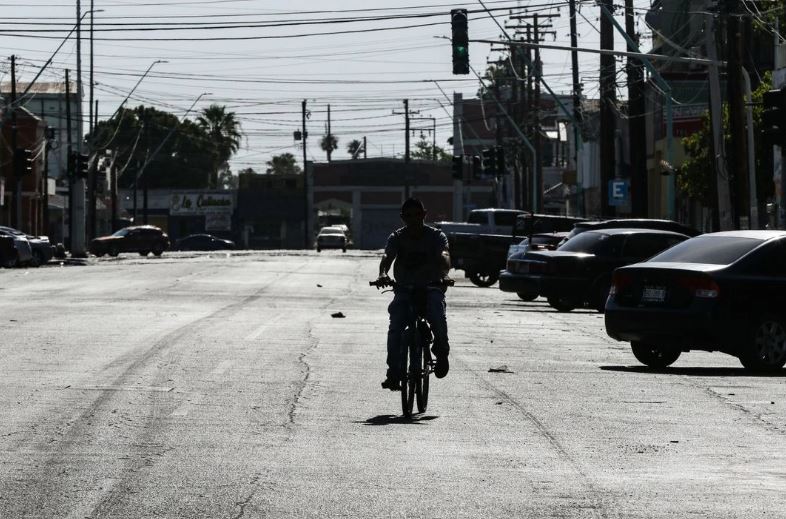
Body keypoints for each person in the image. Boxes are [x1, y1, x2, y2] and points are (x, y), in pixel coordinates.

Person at [375, 198, 451, 391]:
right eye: (408, 216)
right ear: (402, 218)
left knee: (437, 317)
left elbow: (445, 255)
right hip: (404, 290)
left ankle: (441, 353)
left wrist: (444, 275)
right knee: (395, 329)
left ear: (424, 215)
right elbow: (387, 256)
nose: (413, 219)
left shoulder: (436, 236)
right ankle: (393, 373)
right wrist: (383, 274)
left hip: (431, 288)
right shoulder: (397, 237)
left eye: (417, 215)